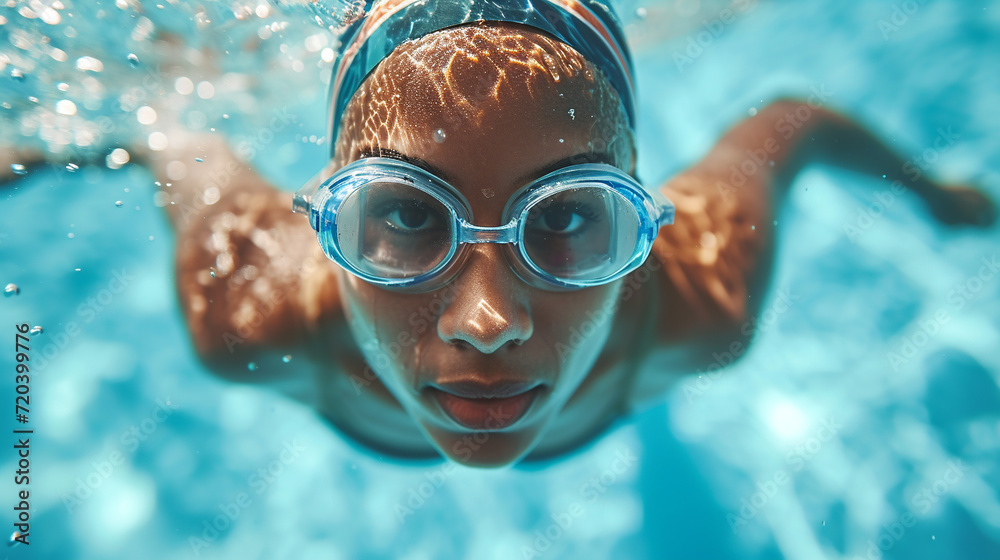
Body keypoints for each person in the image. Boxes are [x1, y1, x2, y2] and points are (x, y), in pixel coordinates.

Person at [120, 0, 999, 467]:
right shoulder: (252, 318)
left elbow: (791, 124)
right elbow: (179, 139)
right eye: (408, 214)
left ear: (643, 220)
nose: (488, 320)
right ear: (321, 217)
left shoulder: (699, 310)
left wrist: (934, 193)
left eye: (569, 217)